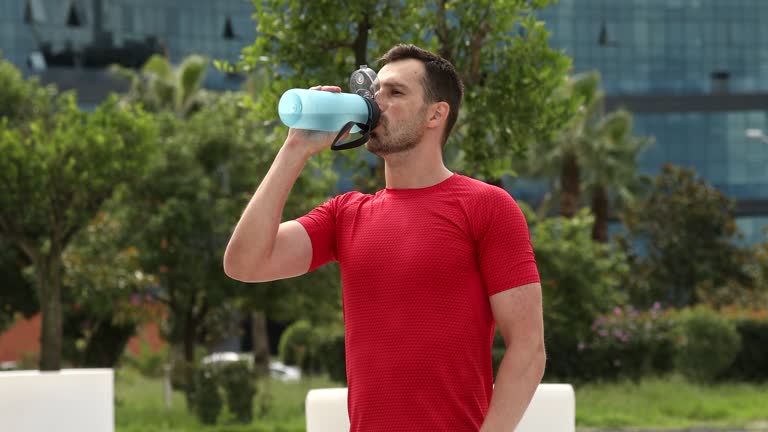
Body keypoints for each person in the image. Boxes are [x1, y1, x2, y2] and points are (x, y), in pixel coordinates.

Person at [224, 44, 545, 432]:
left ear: (435, 114)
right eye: (375, 92)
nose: (376, 104)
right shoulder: (345, 214)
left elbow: (528, 348)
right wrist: (295, 148)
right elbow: (245, 263)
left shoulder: (487, 206)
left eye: (395, 93)